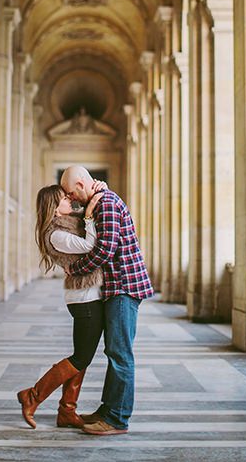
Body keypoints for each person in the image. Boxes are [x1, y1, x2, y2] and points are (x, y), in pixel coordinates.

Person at [60, 165, 154, 436]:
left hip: (124, 287)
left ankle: (117, 418)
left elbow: (104, 250)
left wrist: (74, 270)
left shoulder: (107, 203)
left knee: (120, 353)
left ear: (80, 184)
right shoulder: (99, 201)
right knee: (114, 351)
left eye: (70, 193)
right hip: (117, 287)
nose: (71, 198)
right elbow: (83, 219)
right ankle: (108, 409)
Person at [16, 184, 104, 429]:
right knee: (81, 357)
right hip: (84, 298)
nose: (69, 199)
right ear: (53, 209)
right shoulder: (55, 234)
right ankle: (32, 396)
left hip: (89, 296)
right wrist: (88, 217)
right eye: (63, 198)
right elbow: (90, 246)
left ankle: (67, 411)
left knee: (82, 357)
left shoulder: (70, 222)